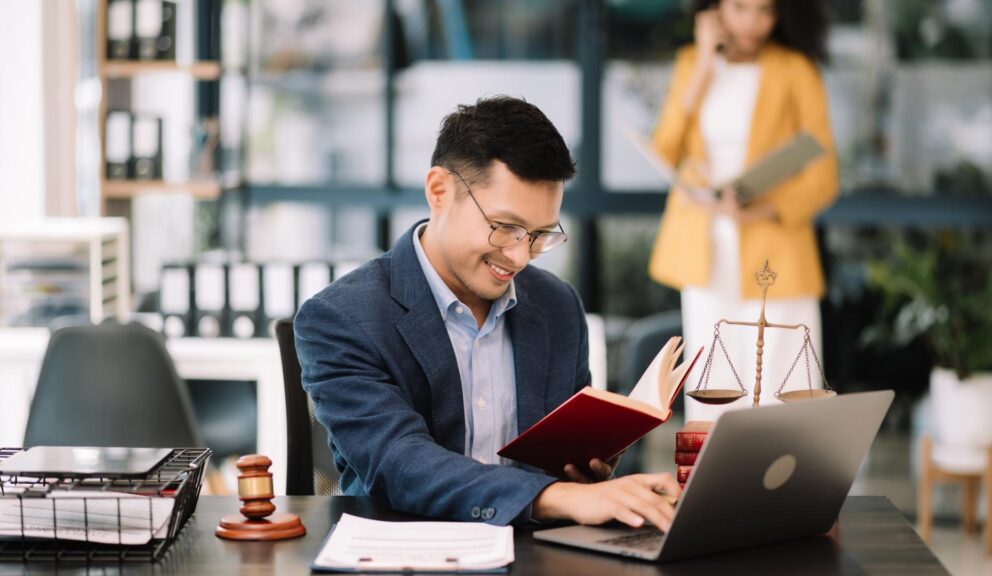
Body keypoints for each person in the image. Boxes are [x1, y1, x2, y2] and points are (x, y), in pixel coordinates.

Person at [295, 96, 679, 530]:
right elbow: (398, 464)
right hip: (406, 551)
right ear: (440, 191)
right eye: (505, 228)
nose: (519, 256)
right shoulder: (341, 317)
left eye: (539, 235)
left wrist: (591, 474)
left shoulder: (557, 306)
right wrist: (554, 496)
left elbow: (568, 464)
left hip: (536, 551)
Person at [647, 0, 838, 422]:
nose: (752, 22)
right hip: (705, 247)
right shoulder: (691, 65)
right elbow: (664, 151)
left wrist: (766, 209)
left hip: (776, 246)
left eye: (766, 11)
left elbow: (824, 176)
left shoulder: (796, 70)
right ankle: (717, 484)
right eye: (739, 8)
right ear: (714, 9)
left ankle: (788, 486)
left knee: (783, 381)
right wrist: (701, 67)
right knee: (714, 381)